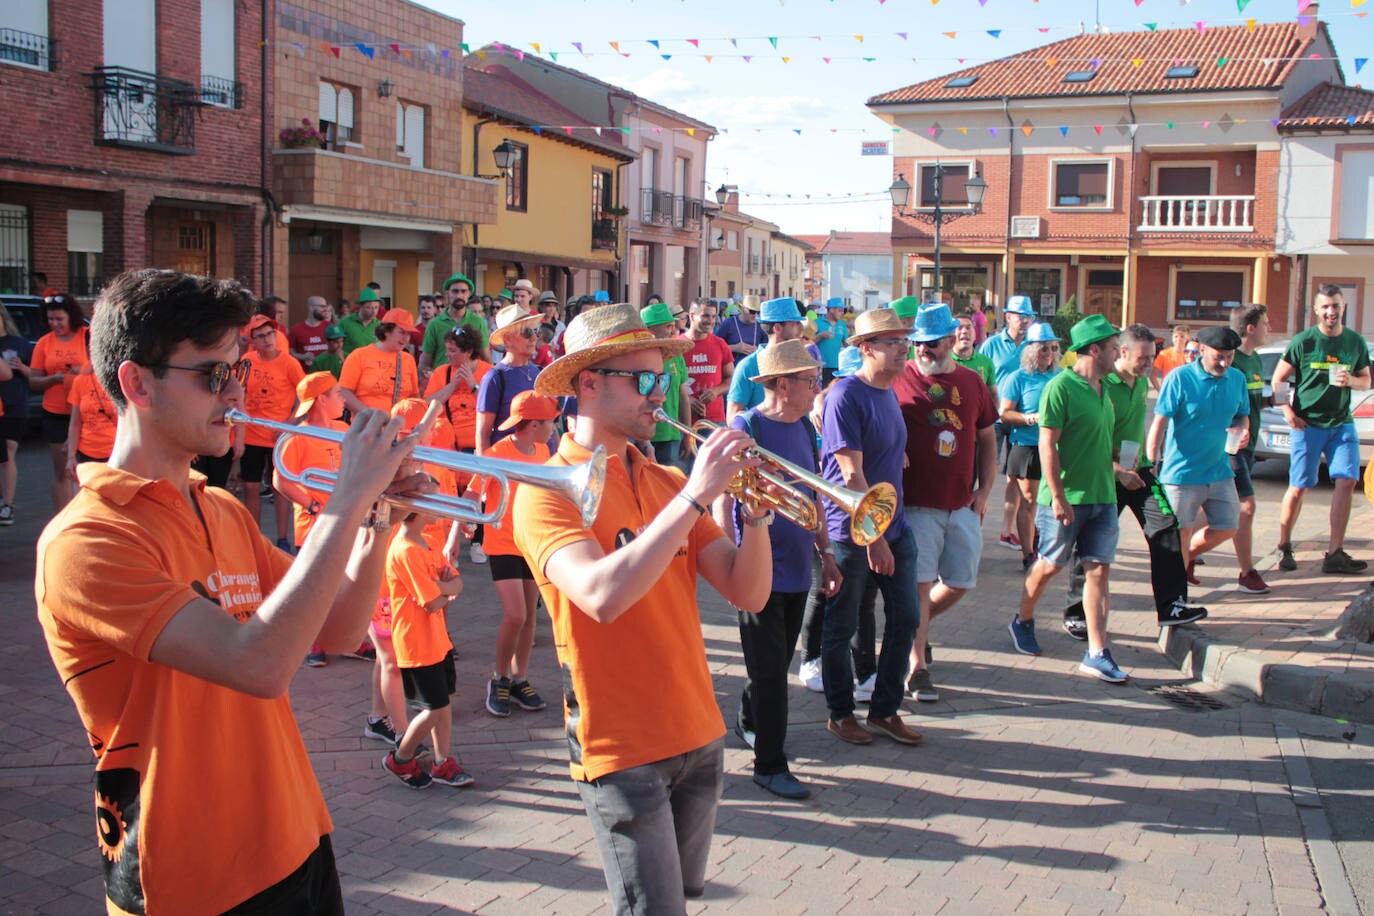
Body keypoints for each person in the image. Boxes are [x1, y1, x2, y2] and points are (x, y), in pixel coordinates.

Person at [35, 268, 433, 913]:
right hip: (191, 871)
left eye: (239, 371)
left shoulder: (219, 506)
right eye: (214, 374)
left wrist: (379, 520)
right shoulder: (87, 540)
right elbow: (260, 664)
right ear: (137, 383)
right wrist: (349, 497)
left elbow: (335, 629)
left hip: (294, 833)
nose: (235, 393)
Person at [512, 302, 772, 912]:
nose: (662, 395)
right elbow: (601, 596)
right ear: (590, 383)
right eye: (646, 381)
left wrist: (755, 508)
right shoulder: (546, 491)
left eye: (665, 379)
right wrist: (697, 495)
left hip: (698, 730)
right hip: (622, 745)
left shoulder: (660, 482)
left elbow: (748, 592)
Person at [716, 340, 838, 800]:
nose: (817, 389)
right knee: (770, 673)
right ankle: (770, 764)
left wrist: (826, 553)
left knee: (774, 663)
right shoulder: (746, 426)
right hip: (756, 568)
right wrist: (728, 562)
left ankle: (750, 720)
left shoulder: (807, 428)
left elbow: (814, 496)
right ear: (782, 384)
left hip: (796, 568)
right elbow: (722, 498)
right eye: (811, 381)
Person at [1062, 324, 1208, 638]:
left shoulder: (1141, 384)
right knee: (1089, 546)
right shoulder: (1100, 384)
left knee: (1167, 527)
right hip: (1103, 473)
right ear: (1123, 352)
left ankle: (1172, 606)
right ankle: (1077, 613)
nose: (1149, 364)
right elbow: (1085, 438)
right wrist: (1115, 468)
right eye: (1143, 357)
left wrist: (1145, 462)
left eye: (1152, 357)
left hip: (1139, 472)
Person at [819, 308, 923, 747]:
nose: (904, 348)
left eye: (905, 340)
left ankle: (884, 709)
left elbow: (882, 455)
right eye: (892, 341)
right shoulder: (847, 395)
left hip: (893, 525)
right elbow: (850, 476)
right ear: (865, 348)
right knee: (842, 625)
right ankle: (841, 713)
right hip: (853, 532)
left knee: (907, 617)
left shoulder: (889, 391)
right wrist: (875, 539)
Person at [1013, 314, 1130, 683]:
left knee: (1098, 570)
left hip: (1103, 496)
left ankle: (1097, 652)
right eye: (1113, 347)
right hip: (1066, 499)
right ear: (1094, 349)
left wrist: (1120, 469)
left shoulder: (1105, 387)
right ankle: (1023, 619)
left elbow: (1100, 441)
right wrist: (1059, 497)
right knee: (1050, 565)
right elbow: (1047, 445)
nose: (1117, 353)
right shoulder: (1061, 387)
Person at [892, 304, 998, 704]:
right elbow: (849, 390)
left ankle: (912, 628)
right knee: (918, 586)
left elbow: (987, 437)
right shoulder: (896, 378)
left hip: (962, 504)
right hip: (916, 504)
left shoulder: (972, 383)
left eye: (931, 344)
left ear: (952, 341)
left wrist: (985, 491)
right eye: (917, 343)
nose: (922, 350)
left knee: (959, 582)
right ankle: (917, 668)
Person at [466, 391, 556, 718]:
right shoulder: (495, 454)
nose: (553, 429)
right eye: (549, 423)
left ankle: (520, 679)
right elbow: (472, 493)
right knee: (516, 614)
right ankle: (499, 677)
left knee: (530, 615)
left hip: (532, 543)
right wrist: (462, 527)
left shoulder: (544, 451)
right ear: (533, 425)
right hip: (503, 544)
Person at [1272, 285, 1371, 574]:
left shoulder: (1354, 342)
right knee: (1300, 485)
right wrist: (1287, 412)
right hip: (1308, 424)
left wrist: (1351, 381)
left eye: (1336, 306)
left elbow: (1366, 380)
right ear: (1316, 310)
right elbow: (1278, 380)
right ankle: (1284, 545)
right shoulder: (1303, 342)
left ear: (1343, 308)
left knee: (1347, 481)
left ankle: (1335, 552)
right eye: (1325, 306)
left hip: (1341, 423)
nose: (1331, 311)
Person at [1147, 325, 1252, 587]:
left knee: (1229, 525)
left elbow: (1242, 414)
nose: (1224, 362)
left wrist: (1244, 430)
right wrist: (1151, 464)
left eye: (1230, 356)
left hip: (1220, 470)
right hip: (1181, 474)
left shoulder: (1237, 379)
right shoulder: (1179, 378)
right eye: (1219, 355)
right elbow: (1159, 423)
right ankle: (1176, 600)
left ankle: (1186, 557)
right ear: (1202, 349)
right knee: (1180, 533)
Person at [382, 498, 472, 790]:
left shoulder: (427, 542)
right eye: (433, 501)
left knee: (442, 702)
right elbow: (432, 601)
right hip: (416, 642)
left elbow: (457, 584)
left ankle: (442, 761)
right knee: (433, 708)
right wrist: (444, 591)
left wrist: (441, 589)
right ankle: (402, 757)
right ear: (415, 510)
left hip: (437, 639)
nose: (440, 505)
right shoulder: (404, 550)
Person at [274, 372, 349, 668]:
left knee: (347, 582)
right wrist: (312, 506)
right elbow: (281, 481)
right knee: (315, 586)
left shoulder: (343, 429)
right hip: (314, 526)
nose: (343, 398)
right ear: (321, 399)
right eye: (338, 393)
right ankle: (313, 643)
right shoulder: (297, 437)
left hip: (345, 521)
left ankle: (350, 638)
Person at [236, 315, 305, 552]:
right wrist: (238, 434)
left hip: (278, 435)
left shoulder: (289, 363)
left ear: (276, 336)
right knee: (251, 487)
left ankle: (283, 538)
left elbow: (305, 396)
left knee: (280, 487)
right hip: (253, 433)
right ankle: (254, 538)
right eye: (260, 336)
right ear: (252, 340)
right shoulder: (247, 361)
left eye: (269, 334)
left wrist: (289, 424)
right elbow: (238, 396)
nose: (266, 339)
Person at [999, 323, 1062, 571]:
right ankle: (1029, 554)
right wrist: (1030, 418)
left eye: (1053, 348)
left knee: (1053, 499)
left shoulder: (1059, 376)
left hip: (1056, 446)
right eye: (1043, 348)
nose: (1048, 352)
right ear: (1030, 350)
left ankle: (1049, 547)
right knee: (1029, 500)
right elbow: (1004, 414)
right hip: (1027, 445)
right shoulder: (1019, 377)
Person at [16, 293, 88, 510]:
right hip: (56, 412)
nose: (54, 324)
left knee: (87, 468)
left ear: (71, 317)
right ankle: (62, 520)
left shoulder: (87, 336)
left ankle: (86, 515)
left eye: (59, 319)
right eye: (51, 320)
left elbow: (104, 370)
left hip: (86, 412)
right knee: (62, 471)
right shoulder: (44, 343)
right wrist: (54, 379)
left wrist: (83, 371)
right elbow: (34, 381)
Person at [980, 294, 1035, 553]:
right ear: (1008, 317)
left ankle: (1006, 530)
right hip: (993, 416)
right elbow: (980, 377)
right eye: (1020, 316)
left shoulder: (1032, 345)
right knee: (986, 469)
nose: (1024, 321)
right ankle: (975, 523)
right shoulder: (991, 345)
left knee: (1015, 476)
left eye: (1029, 317)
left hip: (1020, 417)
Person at [1229, 305, 1272, 594]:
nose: (1270, 328)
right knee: (1246, 506)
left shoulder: (1255, 360)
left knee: (1217, 513)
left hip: (1251, 444)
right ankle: (1247, 572)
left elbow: (1250, 401)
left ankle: (1186, 554)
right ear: (1251, 328)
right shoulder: (1233, 363)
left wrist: (1270, 401)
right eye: (1266, 324)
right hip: (1232, 446)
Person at [726, 297, 819, 420]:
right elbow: (732, 416)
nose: (801, 328)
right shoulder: (748, 366)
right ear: (777, 328)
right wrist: (769, 423)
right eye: (795, 323)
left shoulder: (801, 361)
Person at [424, 326, 493, 457]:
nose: (446, 354)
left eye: (452, 351)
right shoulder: (441, 372)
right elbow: (427, 405)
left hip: (479, 449)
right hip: (446, 447)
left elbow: (493, 408)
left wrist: (474, 386)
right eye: (447, 349)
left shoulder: (489, 372)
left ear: (468, 351)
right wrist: (452, 385)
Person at [339, 308, 420, 414]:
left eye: (408, 334)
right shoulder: (359, 355)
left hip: (401, 427)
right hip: (367, 427)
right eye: (401, 332)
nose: (406, 339)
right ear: (386, 331)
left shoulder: (408, 359)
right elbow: (344, 391)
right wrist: (369, 414)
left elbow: (414, 396)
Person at [641, 302, 692, 467]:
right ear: (652, 329)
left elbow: (683, 398)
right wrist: (645, 443)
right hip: (642, 435)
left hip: (671, 435)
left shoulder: (676, 356)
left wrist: (687, 434)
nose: (673, 330)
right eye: (668, 326)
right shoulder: (637, 359)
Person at [420, 273, 491, 379]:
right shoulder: (435, 324)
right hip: (442, 383)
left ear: (469, 294)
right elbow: (425, 362)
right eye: (455, 291)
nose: (459, 295)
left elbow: (486, 358)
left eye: (463, 291)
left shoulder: (478, 322)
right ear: (447, 293)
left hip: (470, 384)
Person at [0, 303, 31, 524]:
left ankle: (7, 505)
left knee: (9, 450)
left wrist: (22, 367)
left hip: (15, 404)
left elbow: (35, 375)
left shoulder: (19, 344)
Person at [681, 298, 734, 426]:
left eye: (713, 316)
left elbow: (731, 378)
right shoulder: (678, 345)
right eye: (705, 316)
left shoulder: (720, 344)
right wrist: (687, 401)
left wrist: (716, 391)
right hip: (682, 419)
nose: (710, 321)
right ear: (692, 316)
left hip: (714, 420)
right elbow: (668, 383)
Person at [65, 361, 119, 476]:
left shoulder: (119, 382)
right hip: (85, 452)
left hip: (115, 452)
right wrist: (71, 456)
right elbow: (75, 422)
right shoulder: (80, 381)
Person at [952, 311, 996, 390]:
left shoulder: (986, 362)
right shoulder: (942, 361)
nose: (964, 331)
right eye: (960, 327)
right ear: (951, 335)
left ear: (975, 335)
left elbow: (993, 396)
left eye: (968, 327)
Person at [288, 296, 334, 369]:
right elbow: (290, 352)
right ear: (311, 307)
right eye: (322, 306)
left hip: (328, 375)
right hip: (306, 376)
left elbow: (338, 348)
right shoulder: (296, 330)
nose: (325, 309)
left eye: (325, 306)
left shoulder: (330, 327)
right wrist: (302, 356)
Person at [717, 294, 764, 363]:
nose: (755, 315)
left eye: (758, 312)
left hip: (755, 370)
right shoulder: (729, 323)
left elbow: (768, 348)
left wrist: (758, 350)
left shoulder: (761, 325)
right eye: (752, 312)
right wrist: (734, 348)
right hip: (733, 370)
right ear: (742, 308)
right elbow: (716, 348)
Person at [812, 298, 849, 385]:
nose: (842, 313)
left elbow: (847, 344)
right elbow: (808, 343)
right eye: (840, 310)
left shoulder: (842, 325)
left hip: (837, 367)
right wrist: (820, 336)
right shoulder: (816, 323)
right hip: (820, 367)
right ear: (831, 309)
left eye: (843, 311)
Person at [338, 288, 382, 356]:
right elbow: (336, 347)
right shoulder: (344, 323)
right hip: (351, 364)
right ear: (360, 306)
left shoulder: (380, 325)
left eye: (376, 307)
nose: (374, 312)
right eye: (369, 307)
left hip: (372, 364)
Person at [1151, 324, 1192, 390]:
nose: (1179, 339)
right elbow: (1153, 375)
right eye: (1176, 336)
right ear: (1172, 338)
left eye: (1182, 336)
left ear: (1187, 338)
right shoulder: (1164, 354)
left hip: (1185, 390)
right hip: (1169, 389)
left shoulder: (1191, 355)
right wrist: (1160, 391)